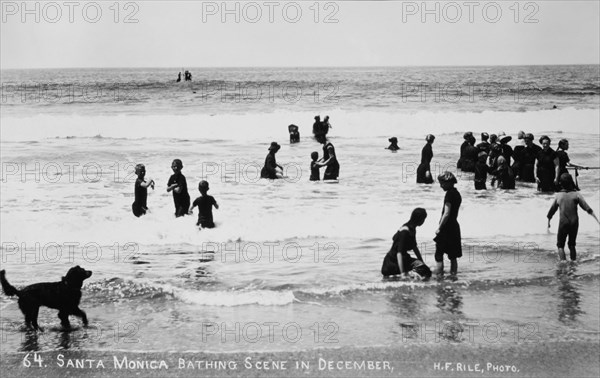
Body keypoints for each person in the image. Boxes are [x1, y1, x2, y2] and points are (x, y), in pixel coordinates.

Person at [547, 173, 598, 261]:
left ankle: (563, 262)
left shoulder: (558, 196)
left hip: (563, 223)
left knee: (560, 245)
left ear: (561, 183)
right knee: (572, 244)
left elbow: (551, 212)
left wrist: (548, 221)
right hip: (574, 223)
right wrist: (597, 219)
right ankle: (573, 262)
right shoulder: (576, 195)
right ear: (571, 182)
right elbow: (587, 208)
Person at [381, 208, 432, 280]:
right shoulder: (405, 230)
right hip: (392, 262)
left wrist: (422, 262)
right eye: (423, 219)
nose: (424, 221)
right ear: (419, 219)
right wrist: (402, 274)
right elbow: (399, 253)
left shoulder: (412, 228)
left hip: (404, 258)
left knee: (426, 271)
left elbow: (414, 247)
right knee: (423, 272)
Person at [434, 172, 462, 276]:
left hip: (446, 228)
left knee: (439, 254)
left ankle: (439, 276)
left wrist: (439, 228)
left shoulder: (449, 194)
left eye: (442, 183)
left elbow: (446, 213)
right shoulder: (457, 193)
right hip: (454, 227)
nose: (441, 186)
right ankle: (453, 276)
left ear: (448, 182)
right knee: (453, 256)